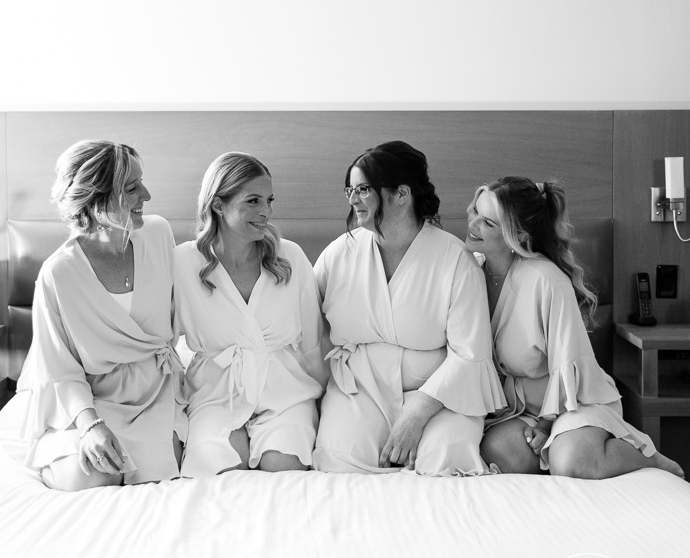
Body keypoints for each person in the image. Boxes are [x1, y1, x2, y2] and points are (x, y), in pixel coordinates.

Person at [465, 175, 684, 479]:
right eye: (474, 212)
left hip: (573, 403)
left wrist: (545, 424)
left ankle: (653, 461)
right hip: (516, 409)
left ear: (517, 234)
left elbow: (567, 365)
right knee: (501, 454)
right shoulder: (470, 272)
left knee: (571, 463)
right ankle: (553, 452)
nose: (473, 225)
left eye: (487, 223)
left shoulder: (546, 280)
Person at [311, 140, 506, 475]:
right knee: (338, 459)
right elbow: (309, 332)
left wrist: (418, 414)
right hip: (358, 389)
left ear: (402, 194)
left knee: (445, 459)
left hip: (439, 394)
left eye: (363, 189)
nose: (353, 199)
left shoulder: (455, 260)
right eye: (350, 190)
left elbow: (470, 354)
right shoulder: (337, 255)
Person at [18, 140, 187, 490]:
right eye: (132, 187)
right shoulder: (58, 274)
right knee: (94, 474)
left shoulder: (158, 234)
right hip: (93, 402)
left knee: (161, 469)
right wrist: (91, 426)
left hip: (157, 392)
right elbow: (59, 369)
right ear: (96, 201)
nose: (148, 195)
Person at [174, 152, 326, 476]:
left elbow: (314, 343)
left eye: (269, 200)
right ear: (218, 204)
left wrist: (328, 404)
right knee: (215, 470)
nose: (267, 212)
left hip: (285, 390)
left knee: (284, 468)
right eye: (253, 201)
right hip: (216, 393)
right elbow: (163, 345)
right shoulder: (182, 264)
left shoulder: (291, 257)